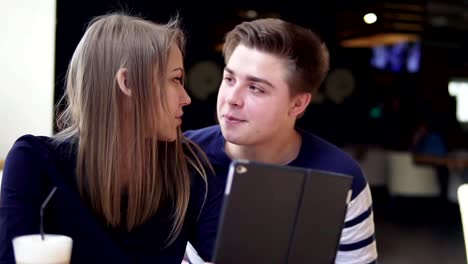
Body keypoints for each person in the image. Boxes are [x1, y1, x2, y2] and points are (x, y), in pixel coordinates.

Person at [0, 13, 221, 263]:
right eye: (175, 79)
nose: (186, 98)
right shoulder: (34, 163)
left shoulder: (188, 169)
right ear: (128, 83)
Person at [185, 18, 378, 263]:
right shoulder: (183, 157)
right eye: (229, 79)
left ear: (297, 104)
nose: (232, 98)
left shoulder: (340, 177)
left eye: (256, 88)